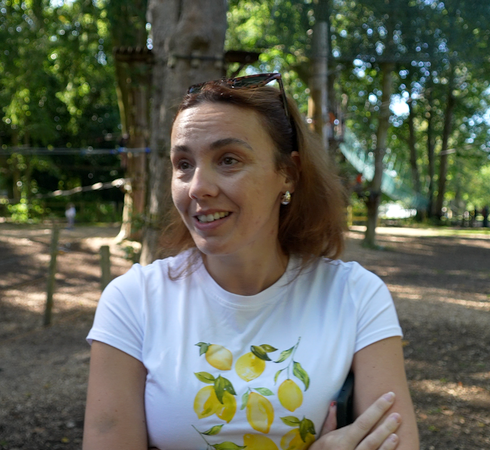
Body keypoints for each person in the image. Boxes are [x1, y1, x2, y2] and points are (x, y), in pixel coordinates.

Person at [83, 73, 419, 450]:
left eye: (228, 160)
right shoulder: (133, 300)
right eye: (183, 164)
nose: (197, 187)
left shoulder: (356, 296)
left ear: (287, 174)